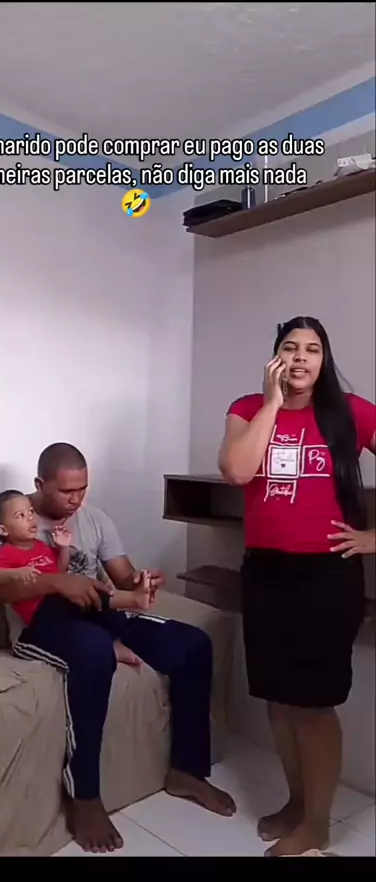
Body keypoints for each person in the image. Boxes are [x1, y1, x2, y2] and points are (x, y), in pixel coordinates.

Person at [0, 443, 236, 853]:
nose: (76, 500)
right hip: (40, 627)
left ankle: (187, 770)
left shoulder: (94, 519)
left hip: (98, 613)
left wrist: (141, 582)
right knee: (95, 649)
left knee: (193, 644)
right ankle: (85, 797)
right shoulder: (9, 514)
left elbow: (123, 576)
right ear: (40, 484)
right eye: (66, 491)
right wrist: (58, 582)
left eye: (82, 489)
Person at [218, 316, 376, 857]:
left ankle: (318, 824)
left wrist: (374, 539)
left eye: (313, 349)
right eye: (291, 347)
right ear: (276, 357)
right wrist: (272, 403)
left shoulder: (352, 413)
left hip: (326, 579)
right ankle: (296, 804)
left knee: (313, 705)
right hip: (266, 574)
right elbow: (238, 471)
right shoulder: (246, 409)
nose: (302, 357)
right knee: (279, 702)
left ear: (325, 360)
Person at [0, 488, 152, 656]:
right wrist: (15, 573)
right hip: (40, 611)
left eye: (30, 512)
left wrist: (64, 547)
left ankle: (117, 639)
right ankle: (134, 599)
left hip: (61, 603)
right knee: (85, 596)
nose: (30, 518)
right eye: (20, 516)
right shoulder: (6, 552)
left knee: (100, 608)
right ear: (3, 530)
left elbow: (60, 570)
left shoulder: (41, 546)